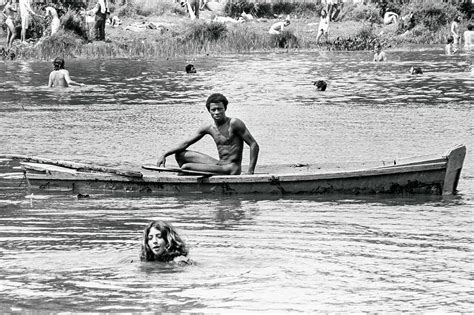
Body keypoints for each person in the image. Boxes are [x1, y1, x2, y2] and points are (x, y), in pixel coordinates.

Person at [157, 93, 260, 175]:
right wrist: (164, 154)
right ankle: (196, 177)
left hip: (231, 167)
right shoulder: (209, 127)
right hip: (220, 164)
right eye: (213, 110)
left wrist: (250, 171)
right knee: (180, 155)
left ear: (225, 109)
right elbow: (186, 143)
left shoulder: (234, 123)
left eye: (220, 109)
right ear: (209, 111)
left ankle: (186, 178)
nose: (217, 112)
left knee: (186, 167)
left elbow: (254, 145)